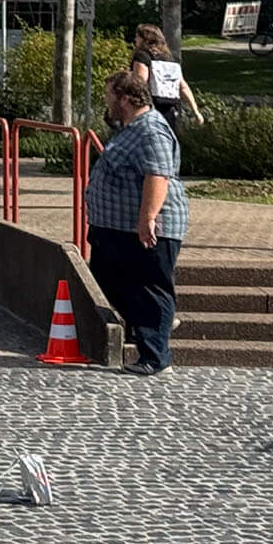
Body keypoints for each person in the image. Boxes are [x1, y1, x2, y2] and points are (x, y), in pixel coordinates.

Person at [83, 70, 188, 377]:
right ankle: (154, 327)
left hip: (146, 228)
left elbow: (157, 176)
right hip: (116, 228)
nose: (107, 103)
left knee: (149, 288)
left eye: (110, 97)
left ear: (125, 99)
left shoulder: (151, 130)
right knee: (107, 279)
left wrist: (147, 219)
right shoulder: (132, 127)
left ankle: (155, 356)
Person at [130, 24, 203, 130]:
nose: (135, 39)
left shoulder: (142, 56)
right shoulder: (169, 59)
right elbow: (183, 86)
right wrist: (195, 111)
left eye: (137, 36)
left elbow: (140, 83)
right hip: (170, 107)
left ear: (145, 40)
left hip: (150, 109)